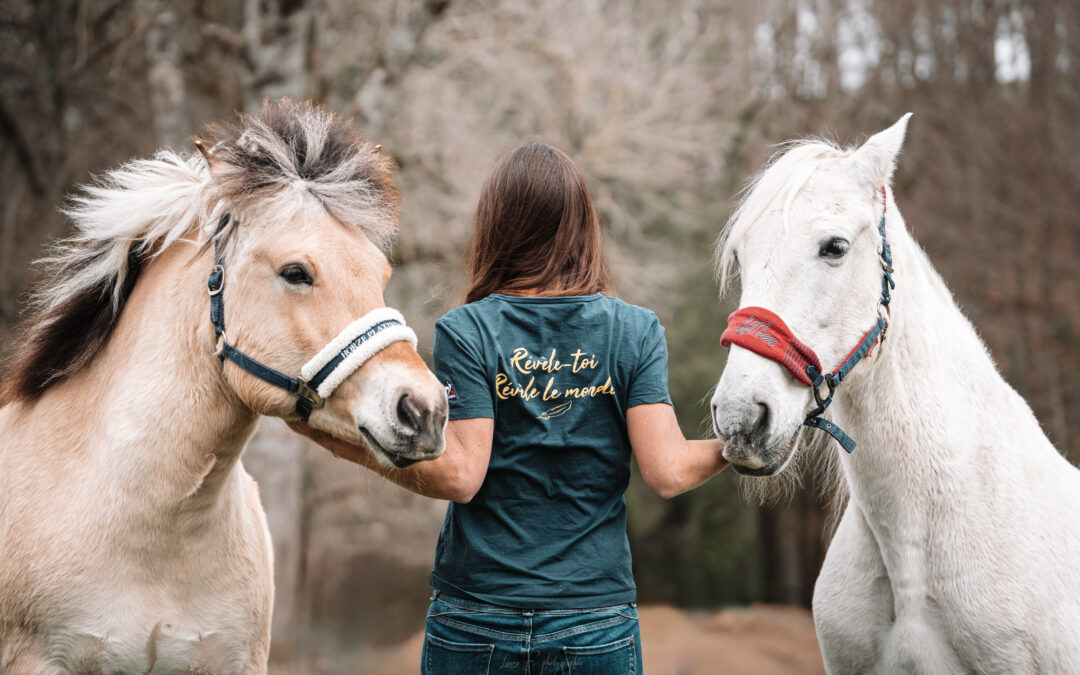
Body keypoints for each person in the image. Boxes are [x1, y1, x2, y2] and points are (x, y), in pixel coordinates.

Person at [303, 141, 727, 674]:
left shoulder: (468, 329)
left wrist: (351, 447)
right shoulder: (634, 331)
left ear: (497, 225)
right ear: (582, 225)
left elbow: (461, 477)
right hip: (593, 618)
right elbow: (668, 471)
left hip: (476, 619)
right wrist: (739, 444)